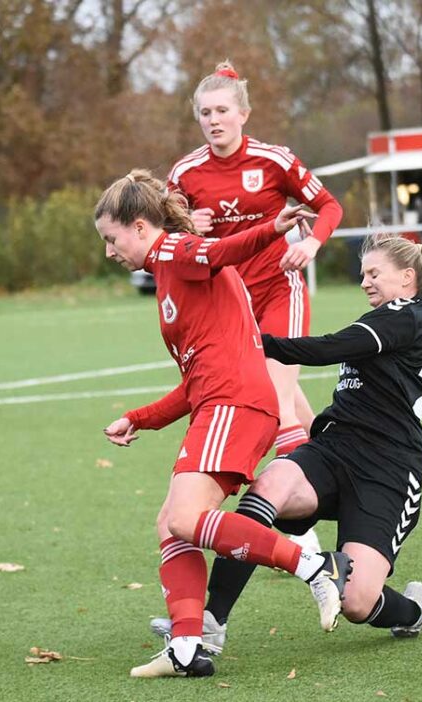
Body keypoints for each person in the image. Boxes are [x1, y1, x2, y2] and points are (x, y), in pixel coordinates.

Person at [96, 170, 352, 679]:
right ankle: (188, 647)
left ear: (141, 227)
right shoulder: (170, 273)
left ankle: (313, 566)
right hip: (220, 401)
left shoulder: (173, 252)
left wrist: (273, 229)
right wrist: (139, 418)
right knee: (171, 523)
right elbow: (194, 382)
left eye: (111, 238)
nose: (108, 252)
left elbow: (218, 252)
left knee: (186, 519)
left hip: (233, 404)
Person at [167, 233, 422, 648]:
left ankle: (411, 610)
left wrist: (253, 344)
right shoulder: (392, 317)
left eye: (374, 273)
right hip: (335, 448)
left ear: (407, 277)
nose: (365, 282)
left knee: (357, 602)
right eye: (363, 274)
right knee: (269, 485)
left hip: (388, 471)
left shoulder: (406, 316)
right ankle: (213, 621)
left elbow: (327, 348)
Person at [155, 59, 344, 647]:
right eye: (204, 113)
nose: (213, 120)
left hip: (279, 290)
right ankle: (333, 483)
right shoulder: (184, 171)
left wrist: (310, 242)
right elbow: (167, 232)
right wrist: (195, 222)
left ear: (243, 114)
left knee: (276, 395)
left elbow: (330, 205)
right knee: (297, 418)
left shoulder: (275, 160)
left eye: (222, 111)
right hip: (228, 301)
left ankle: (300, 538)